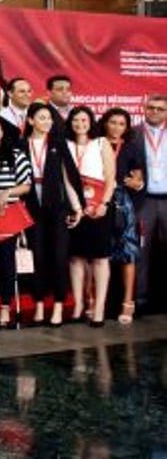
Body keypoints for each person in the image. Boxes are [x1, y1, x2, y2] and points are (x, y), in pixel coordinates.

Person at [23, 102, 84, 327]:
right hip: (31, 209)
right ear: (30, 121)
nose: (47, 122)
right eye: (41, 118)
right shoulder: (20, 144)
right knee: (37, 257)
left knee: (59, 258)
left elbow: (69, 178)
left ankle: (58, 305)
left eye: (49, 118)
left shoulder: (58, 144)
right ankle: (39, 304)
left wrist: (77, 207)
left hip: (57, 208)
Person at [0, 114, 32, 329]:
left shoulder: (16, 154)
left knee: (6, 262)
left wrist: (5, 193)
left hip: (7, 214)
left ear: (2, 131)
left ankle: (5, 306)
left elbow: (26, 185)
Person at [65, 106, 116, 326]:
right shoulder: (65, 145)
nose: (80, 124)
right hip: (76, 209)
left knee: (100, 258)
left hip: (100, 208)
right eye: (75, 120)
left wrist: (103, 203)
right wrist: (77, 208)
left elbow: (111, 176)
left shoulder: (101, 143)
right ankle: (78, 305)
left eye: (84, 120)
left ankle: (99, 308)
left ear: (91, 121)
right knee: (76, 257)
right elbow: (66, 179)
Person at [101, 107, 143, 325]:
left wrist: (125, 181)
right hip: (99, 202)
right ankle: (97, 302)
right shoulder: (96, 144)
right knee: (99, 254)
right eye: (113, 122)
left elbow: (138, 182)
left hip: (124, 205)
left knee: (128, 252)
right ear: (105, 123)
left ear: (126, 128)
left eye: (121, 124)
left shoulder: (131, 148)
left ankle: (128, 302)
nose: (116, 127)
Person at [134, 94, 167, 314]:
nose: (155, 112)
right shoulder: (133, 133)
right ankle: (140, 299)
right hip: (143, 201)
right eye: (151, 108)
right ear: (144, 109)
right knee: (141, 251)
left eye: (160, 109)